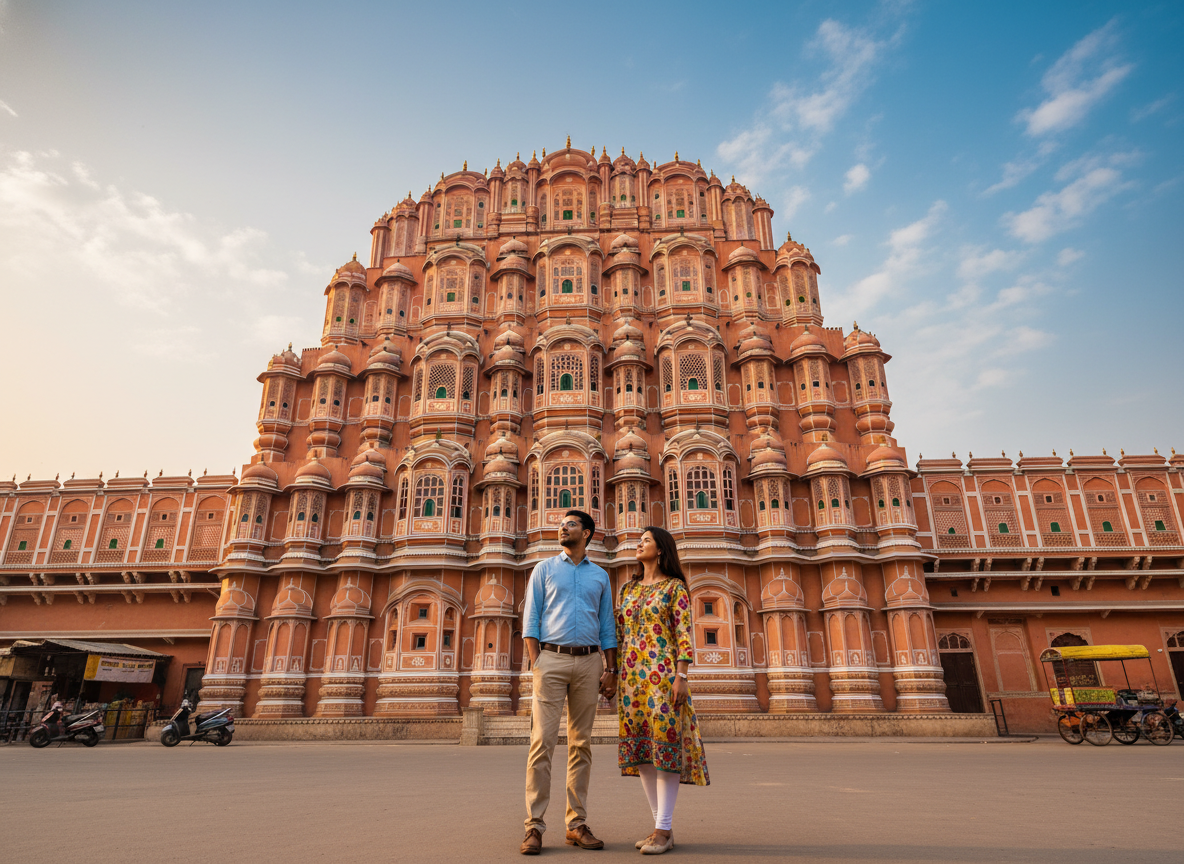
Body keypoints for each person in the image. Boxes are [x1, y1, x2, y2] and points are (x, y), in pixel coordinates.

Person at [520, 509, 618, 855]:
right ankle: (534, 826)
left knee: (581, 744)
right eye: (561, 524)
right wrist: (538, 663)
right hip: (552, 659)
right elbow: (530, 620)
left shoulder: (601, 576)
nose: (562, 527)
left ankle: (576, 824)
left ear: (587, 533)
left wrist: (611, 669)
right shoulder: (544, 568)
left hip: (590, 662)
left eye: (571, 524)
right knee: (541, 744)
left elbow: (607, 625)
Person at [615, 526, 709, 855]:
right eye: (639, 540)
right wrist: (612, 672)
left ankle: (662, 829)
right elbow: (618, 633)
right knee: (643, 753)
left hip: (663, 676)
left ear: (660, 549)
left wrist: (681, 676)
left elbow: (684, 633)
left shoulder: (674, 588)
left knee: (664, 749)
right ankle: (661, 828)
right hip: (632, 679)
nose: (639, 544)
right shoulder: (627, 589)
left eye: (646, 541)